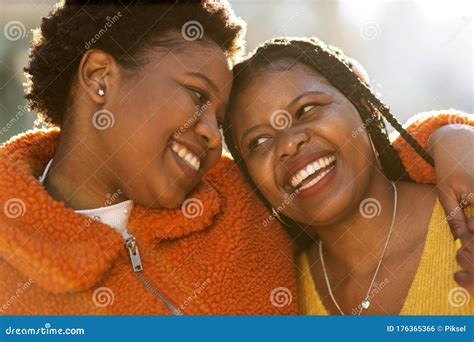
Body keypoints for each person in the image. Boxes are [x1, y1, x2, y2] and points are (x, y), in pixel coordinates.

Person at [223, 37, 474, 315]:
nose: (287, 144)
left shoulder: (466, 211)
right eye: (258, 142)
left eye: (306, 109)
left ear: (364, 105)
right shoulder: (276, 300)